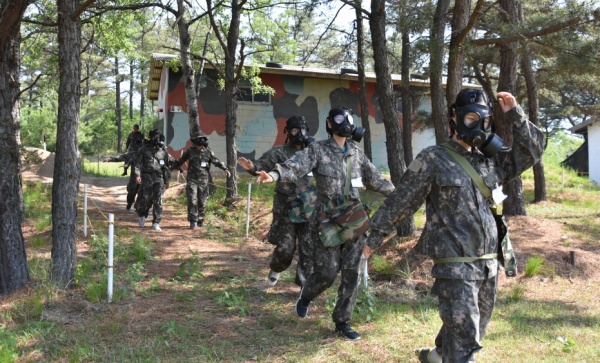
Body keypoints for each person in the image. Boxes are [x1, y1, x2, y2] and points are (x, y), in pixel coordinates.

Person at [362, 90, 545, 363]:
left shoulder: (491, 159)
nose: (478, 126)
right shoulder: (433, 158)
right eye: (471, 117)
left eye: (484, 120)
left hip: (488, 263)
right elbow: (401, 202)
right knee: (466, 343)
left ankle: (437, 355)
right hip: (455, 265)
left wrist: (515, 114)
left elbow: (533, 151)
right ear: (455, 117)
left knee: (473, 328)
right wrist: (370, 241)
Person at [255, 107, 394, 341]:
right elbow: (296, 165)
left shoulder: (356, 153)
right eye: (339, 119)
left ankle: (343, 322)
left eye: (348, 119)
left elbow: (376, 180)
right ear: (330, 124)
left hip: (353, 219)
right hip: (326, 221)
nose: (345, 123)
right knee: (327, 273)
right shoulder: (317, 150)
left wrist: (401, 194)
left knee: (352, 273)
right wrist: (275, 174)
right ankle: (306, 296)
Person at [238, 116, 315, 287]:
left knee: (308, 248)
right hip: (286, 206)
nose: (299, 134)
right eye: (295, 130)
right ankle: (275, 272)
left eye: (302, 130)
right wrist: (252, 168)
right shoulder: (279, 152)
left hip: (309, 206)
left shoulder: (313, 152)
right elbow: (262, 165)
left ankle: (304, 286)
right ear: (287, 132)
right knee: (285, 248)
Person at [172, 135, 230, 229]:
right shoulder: (190, 151)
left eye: (201, 145)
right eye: (197, 145)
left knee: (202, 201)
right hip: (192, 179)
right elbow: (180, 161)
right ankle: (193, 221)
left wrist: (225, 169)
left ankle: (200, 220)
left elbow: (216, 160)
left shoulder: (208, 151)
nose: (199, 147)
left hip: (203, 180)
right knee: (192, 199)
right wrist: (174, 167)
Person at [134, 129, 175, 231]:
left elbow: (166, 167)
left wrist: (167, 180)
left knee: (158, 201)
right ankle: (142, 215)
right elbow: (137, 164)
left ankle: (156, 222)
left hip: (159, 178)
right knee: (144, 199)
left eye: (157, 137)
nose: (156, 139)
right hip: (146, 178)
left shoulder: (163, 151)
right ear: (150, 137)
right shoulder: (143, 149)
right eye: (154, 137)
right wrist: (137, 175)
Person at [103, 146, 144, 210]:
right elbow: (120, 157)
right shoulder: (133, 154)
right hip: (134, 177)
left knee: (144, 194)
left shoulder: (152, 154)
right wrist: (109, 159)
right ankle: (130, 203)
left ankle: (140, 208)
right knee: (131, 192)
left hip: (147, 178)